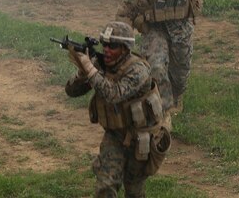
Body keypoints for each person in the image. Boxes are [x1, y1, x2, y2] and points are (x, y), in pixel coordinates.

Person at [65, 21, 171, 198]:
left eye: (112, 46)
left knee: (134, 190)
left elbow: (113, 94)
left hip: (141, 138)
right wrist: (82, 73)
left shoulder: (138, 70)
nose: (106, 50)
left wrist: (90, 69)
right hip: (115, 135)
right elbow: (71, 91)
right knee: (105, 185)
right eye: (104, 44)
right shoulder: (102, 66)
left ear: (125, 48)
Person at [116, 0, 205, 118]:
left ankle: (177, 96)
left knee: (180, 70)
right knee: (155, 65)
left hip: (180, 27)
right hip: (154, 25)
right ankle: (164, 107)